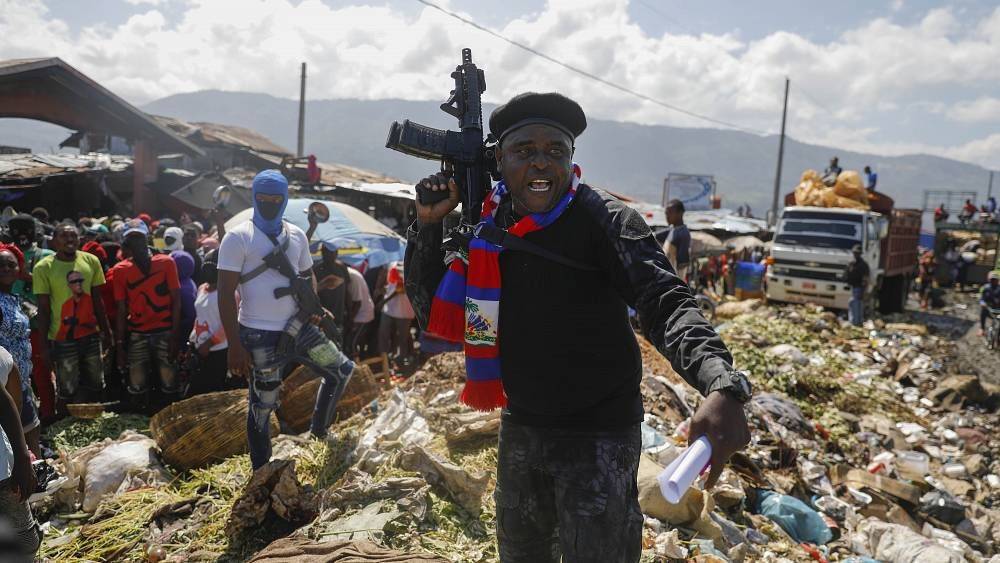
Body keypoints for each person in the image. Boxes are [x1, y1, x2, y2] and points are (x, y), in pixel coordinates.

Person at [404, 92, 751, 563]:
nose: (541, 164)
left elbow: (664, 302)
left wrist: (720, 382)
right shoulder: (486, 227)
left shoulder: (607, 221)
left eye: (556, 151)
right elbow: (433, 314)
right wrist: (427, 226)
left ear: (571, 160)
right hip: (522, 425)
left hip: (600, 434)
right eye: (525, 151)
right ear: (499, 161)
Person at [217, 170, 356, 469]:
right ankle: (261, 471)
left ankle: (319, 434)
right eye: (262, 198)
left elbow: (307, 278)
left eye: (275, 199)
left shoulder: (295, 236)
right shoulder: (238, 237)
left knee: (342, 370)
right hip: (257, 334)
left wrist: (315, 308)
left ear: (285, 199)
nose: (268, 203)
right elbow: (225, 293)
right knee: (262, 408)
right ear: (254, 197)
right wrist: (234, 345)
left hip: (299, 326)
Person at [33, 223, 111, 410]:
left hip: (91, 336)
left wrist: (107, 333)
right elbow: (43, 309)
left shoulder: (91, 261)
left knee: (96, 384)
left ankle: (95, 422)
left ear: (79, 239)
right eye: (64, 236)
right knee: (67, 389)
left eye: (73, 236)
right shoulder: (43, 267)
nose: (69, 240)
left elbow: (98, 301)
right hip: (62, 340)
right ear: (54, 241)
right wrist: (43, 346)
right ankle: (66, 427)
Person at [114, 219, 182, 413]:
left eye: (139, 237)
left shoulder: (166, 263)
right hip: (138, 333)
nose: (136, 243)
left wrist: (175, 336)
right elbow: (121, 309)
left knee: (169, 383)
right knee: (136, 385)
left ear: (147, 238)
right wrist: (119, 346)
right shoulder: (121, 270)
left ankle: (170, 420)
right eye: (131, 239)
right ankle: (139, 425)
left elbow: (176, 301)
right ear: (126, 243)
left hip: (165, 331)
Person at [7, 214, 56, 421]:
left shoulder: (45, 255)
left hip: (40, 324)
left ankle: (47, 414)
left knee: (42, 372)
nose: (21, 235)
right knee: (14, 375)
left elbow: (57, 284)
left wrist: (29, 277)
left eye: (25, 230)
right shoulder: (6, 256)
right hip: (11, 326)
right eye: (16, 231)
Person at [0, 345, 41, 559]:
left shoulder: (4, 357)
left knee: (23, 543)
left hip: (3, 470)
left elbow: (8, 404)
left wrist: (22, 456)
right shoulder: (5, 356)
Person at [0, 245, 40, 456]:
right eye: (1, 265)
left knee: (31, 433)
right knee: (15, 442)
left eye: (11, 264)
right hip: (4, 386)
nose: (5, 268)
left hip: (22, 381)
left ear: (19, 269)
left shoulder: (12, 299)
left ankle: (38, 482)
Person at [189, 251, 234, 395]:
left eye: (213, 264)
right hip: (200, 348)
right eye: (206, 262)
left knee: (213, 391)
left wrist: (209, 343)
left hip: (219, 351)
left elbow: (231, 324)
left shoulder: (229, 292)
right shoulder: (202, 288)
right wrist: (193, 338)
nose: (208, 267)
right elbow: (200, 316)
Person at [312, 240, 352, 346]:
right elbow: (312, 294)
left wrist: (350, 313)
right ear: (322, 252)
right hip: (323, 318)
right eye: (326, 252)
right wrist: (323, 285)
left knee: (337, 346)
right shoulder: (316, 269)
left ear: (336, 253)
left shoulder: (342, 268)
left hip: (339, 317)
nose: (329, 255)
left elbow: (347, 292)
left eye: (332, 252)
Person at [378, 261, 414, 366]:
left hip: (403, 310)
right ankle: (384, 358)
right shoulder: (391, 264)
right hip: (390, 308)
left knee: (402, 337)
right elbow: (392, 285)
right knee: (384, 334)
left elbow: (400, 288)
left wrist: (384, 301)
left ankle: (402, 359)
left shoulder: (404, 264)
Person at [345, 264, 374, 358]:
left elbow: (357, 303)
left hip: (362, 315)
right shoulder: (348, 273)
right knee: (357, 341)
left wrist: (350, 320)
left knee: (352, 343)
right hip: (358, 313)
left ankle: (357, 368)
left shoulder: (352, 276)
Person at [661, 199, 692, 283]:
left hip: (672, 283)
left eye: (670, 212)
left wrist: (678, 287)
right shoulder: (672, 229)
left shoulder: (683, 234)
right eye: (666, 213)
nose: (667, 216)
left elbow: (682, 267)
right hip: (665, 279)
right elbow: (654, 235)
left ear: (680, 213)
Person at [171, 250, 198, 341]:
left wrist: (176, 326)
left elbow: (191, 315)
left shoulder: (183, 289)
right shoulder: (187, 281)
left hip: (183, 334)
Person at [844, 244, 870, 326]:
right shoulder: (852, 263)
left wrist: (864, 289)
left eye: (857, 253)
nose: (855, 254)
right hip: (854, 286)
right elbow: (846, 274)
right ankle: (857, 321)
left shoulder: (862, 265)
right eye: (855, 253)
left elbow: (866, 278)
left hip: (859, 287)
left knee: (855, 303)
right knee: (856, 303)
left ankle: (855, 322)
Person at [979, 272, 1000, 337]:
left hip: (998, 310)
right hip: (989, 309)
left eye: (995, 280)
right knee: (983, 311)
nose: (993, 281)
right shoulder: (986, 288)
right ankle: (982, 329)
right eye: (992, 280)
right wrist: (983, 303)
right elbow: (982, 299)